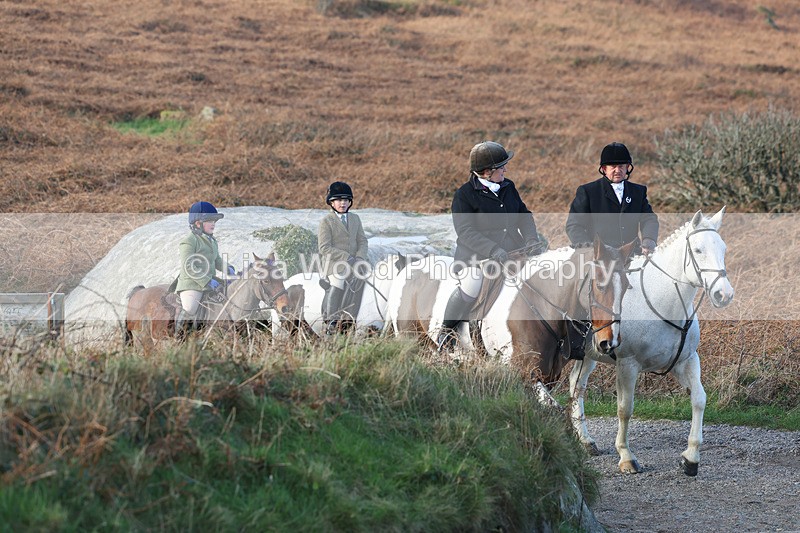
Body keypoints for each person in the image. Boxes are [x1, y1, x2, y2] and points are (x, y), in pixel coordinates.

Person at [438, 141, 543, 351]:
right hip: (477, 258)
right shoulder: (464, 195)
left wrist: (531, 239)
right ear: (487, 172)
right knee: (471, 286)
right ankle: (446, 331)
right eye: (501, 166)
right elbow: (466, 231)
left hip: (514, 253)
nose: (506, 169)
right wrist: (493, 250)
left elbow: (523, 215)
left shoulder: (508, 186)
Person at [566, 141, 659, 254]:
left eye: (621, 166)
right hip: (600, 257)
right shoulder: (588, 191)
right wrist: (588, 250)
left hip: (632, 254)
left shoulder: (638, 191)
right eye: (613, 167)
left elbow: (649, 218)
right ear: (604, 168)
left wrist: (649, 240)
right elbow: (574, 225)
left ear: (627, 167)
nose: (618, 170)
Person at [175, 201, 238, 337]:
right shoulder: (189, 241)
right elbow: (189, 266)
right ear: (198, 223)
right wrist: (207, 281)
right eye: (210, 221)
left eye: (214, 221)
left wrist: (229, 269)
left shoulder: (212, 241)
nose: (214, 224)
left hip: (211, 282)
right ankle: (179, 335)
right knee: (190, 308)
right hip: (192, 284)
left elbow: (217, 261)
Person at [318, 181, 369, 334]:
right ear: (331, 202)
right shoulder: (326, 221)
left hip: (356, 263)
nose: (343, 203)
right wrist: (347, 257)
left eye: (346, 200)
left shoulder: (355, 219)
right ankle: (331, 321)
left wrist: (360, 257)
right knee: (339, 281)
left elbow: (362, 241)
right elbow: (324, 248)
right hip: (335, 265)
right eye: (339, 200)